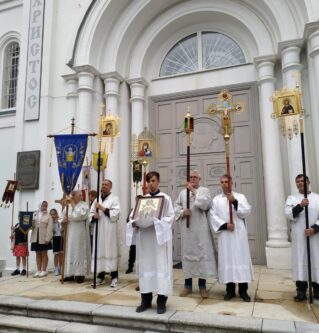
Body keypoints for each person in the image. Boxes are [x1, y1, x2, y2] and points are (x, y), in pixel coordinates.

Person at [126, 171, 175, 314]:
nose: (150, 184)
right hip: (145, 241)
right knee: (145, 268)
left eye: (153, 181)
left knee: (161, 268)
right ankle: (145, 301)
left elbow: (170, 217)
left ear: (158, 181)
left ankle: (161, 302)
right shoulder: (142, 200)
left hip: (159, 241)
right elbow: (132, 217)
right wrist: (133, 223)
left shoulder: (165, 199)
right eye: (148, 181)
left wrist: (157, 222)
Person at [209, 175, 253, 302]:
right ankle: (230, 290)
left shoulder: (240, 197)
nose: (224, 184)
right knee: (227, 260)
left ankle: (243, 291)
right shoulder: (216, 200)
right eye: (221, 182)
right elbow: (213, 216)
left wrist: (234, 201)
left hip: (238, 235)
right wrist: (225, 225)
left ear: (231, 183)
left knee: (241, 260)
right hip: (225, 235)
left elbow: (246, 212)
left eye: (226, 182)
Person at [174, 170, 217, 298]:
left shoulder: (205, 191)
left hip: (201, 229)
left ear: (200, 179)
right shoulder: (182, 193)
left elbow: (205, 205)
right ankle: (188, 286)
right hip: (187, 231)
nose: (192, 179)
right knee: (188, 255)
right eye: (191, 177)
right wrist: (182, 212)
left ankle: (202, 286)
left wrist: (193, 191)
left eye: (195, 177)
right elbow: (176, 207)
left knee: (201, 256)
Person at [285, 174, 319, 301]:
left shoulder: (317, 198)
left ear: (308, 182)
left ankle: (317, 290)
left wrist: (315, 228)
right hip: (299, 236)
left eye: (302, 181)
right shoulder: (292, 198)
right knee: (301, 261)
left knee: (316, 261)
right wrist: (300, 205)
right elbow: (288, 214)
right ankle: (301, 290)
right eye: (297, 181)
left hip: (315, 237)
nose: (300, 183)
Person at [90, 179, 120, 287]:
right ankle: (100, 276)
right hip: (99, 231)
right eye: (102, 184)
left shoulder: (114, 199)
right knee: (99, 250)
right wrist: (94, 216)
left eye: (106, 184)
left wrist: (102, 208)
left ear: (110, 187)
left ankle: (114, 277)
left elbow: (115, 214)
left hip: (109, 230)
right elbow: (91, 213)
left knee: (110, 251)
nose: (103, 186)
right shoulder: (97, 199)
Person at [62, 191, 91, 283]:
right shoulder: (68, 205)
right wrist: (63, 221)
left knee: (79, 251)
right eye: (77, 195)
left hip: (79, 232)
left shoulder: (84, 205)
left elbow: (80, 215)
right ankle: (69, 273)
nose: (80, 196)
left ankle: (79, 274)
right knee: (69, 251)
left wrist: (72, 203)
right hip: (69, 231)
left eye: (79, 195)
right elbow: (62, 216)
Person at [31, 201, 53, 278]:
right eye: (43, 206)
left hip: (44, 238)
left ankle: (44, 270)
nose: (44, 207)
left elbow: (50, 228)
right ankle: (38, 270)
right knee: (37, 253)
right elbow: (31, 226)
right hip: (35, 237)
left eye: (46, 206)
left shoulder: (48, 216)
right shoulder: (34, 214)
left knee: (44, 253)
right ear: (40, 206)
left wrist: (48, 238)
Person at [50, 208, 63, 276]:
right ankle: (56, 268)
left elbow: (62, 228)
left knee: (61, 253)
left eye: (54, 214)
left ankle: (60, 267)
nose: (53, 216)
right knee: (56, 254)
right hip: (54, 238)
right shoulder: (50, 222)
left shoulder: (59, 220)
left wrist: (58, 221)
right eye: (51, 214)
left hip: (60, 237)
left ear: (56, 214)